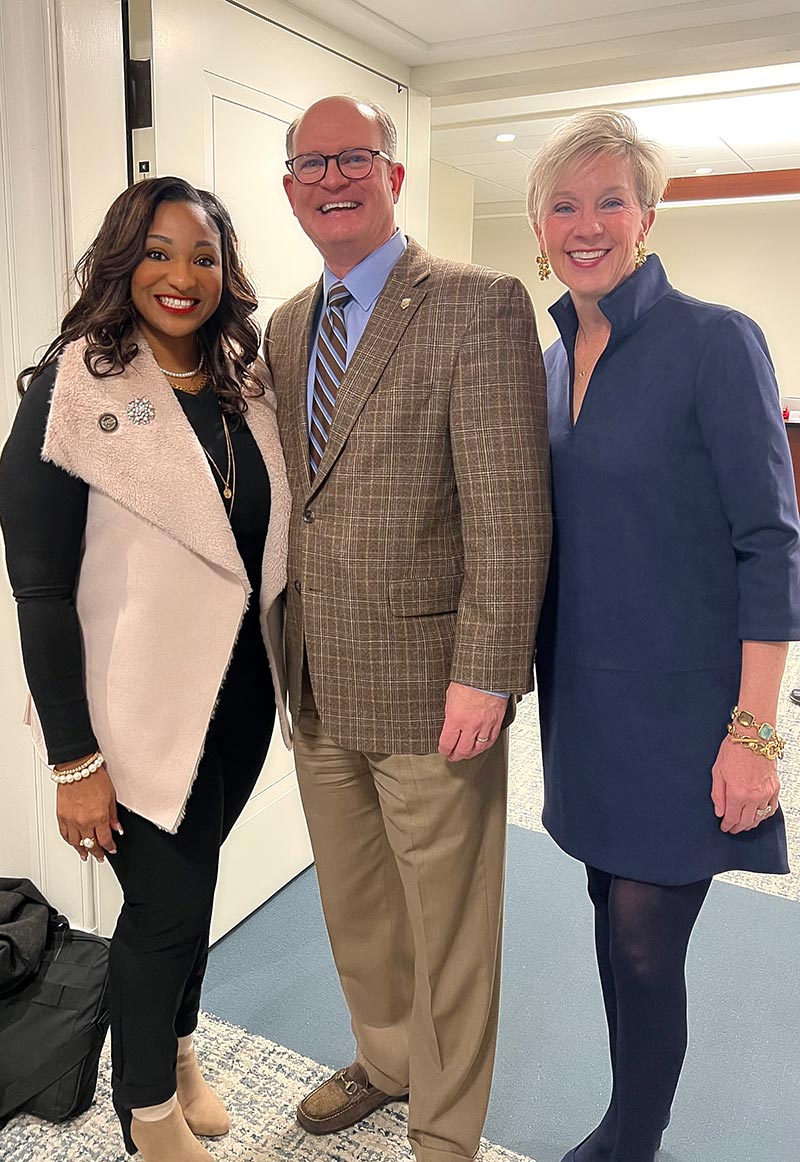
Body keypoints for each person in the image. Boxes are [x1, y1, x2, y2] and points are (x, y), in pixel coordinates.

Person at [263, 95, 551, 1162]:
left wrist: (487, 673)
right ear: (288, 187)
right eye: (308, 163)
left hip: (437, 687)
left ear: (392, 175)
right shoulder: (287, 324)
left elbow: (510, 512)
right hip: (318, 681)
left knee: (450, 928)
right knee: (359, 908)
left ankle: (444, 1126)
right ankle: (385, 1062)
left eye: (352, 158)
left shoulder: (477, 305)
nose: (330, 178)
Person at [526, 109, 800, 1162]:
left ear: (645, 216)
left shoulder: (712, 340)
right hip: (584, 707)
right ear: (538, 224)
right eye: (562, 203)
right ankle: (621, 1116)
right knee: (608, 917)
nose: (584, 223)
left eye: (607, 200)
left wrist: (754, 733)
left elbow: (770, 544)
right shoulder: (548, 366)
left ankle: (630, 1140)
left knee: (644, 945)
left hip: (687, 714)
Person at [0, 177, 290, 1162]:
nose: (181, 276)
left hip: (241, 692)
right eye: (158, 252)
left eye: (202, 256)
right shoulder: (70, 386)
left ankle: (176, 1049)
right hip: (128, 708)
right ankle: (147, 1113)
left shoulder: (244, 380)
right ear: (122, 261)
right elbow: (39, 589)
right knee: (163, 910)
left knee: (194, 891)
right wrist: (74, 759)